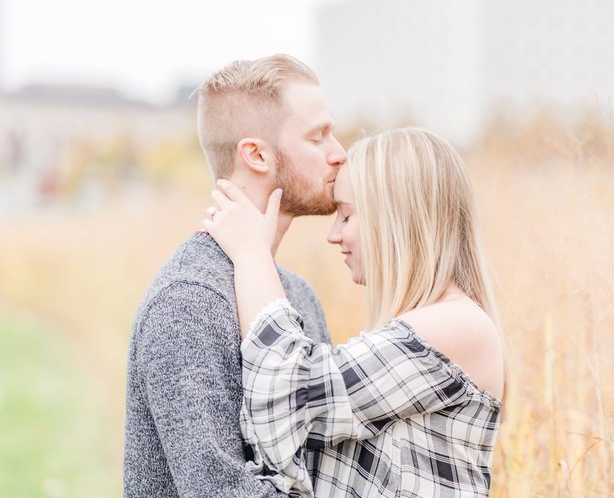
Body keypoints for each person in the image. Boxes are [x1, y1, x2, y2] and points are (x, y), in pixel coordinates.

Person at [204, 127, 506, 497]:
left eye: (346, 216)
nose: (334, 235)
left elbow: (288, 400)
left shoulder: (457, 326)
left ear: (394, 219)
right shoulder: (436, 324)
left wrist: (253, 255)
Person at [123, 54, 346, 498]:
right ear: (256, 155)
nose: (339, 153)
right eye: (317, 138)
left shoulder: (299, 294)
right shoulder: (188, 303)